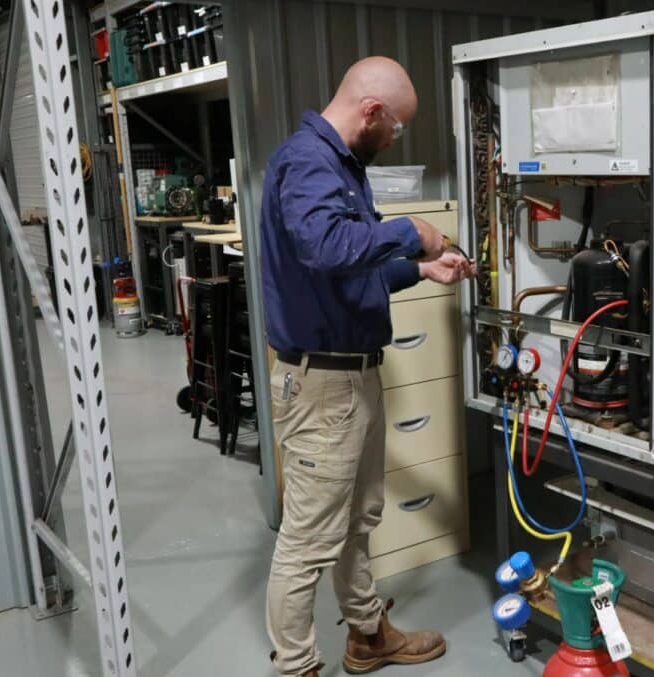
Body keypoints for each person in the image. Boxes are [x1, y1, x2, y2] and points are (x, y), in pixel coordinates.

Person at [259, 56, 475, 677]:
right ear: (372, 112)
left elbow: (350, 271)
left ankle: (368, 635)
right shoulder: (308, 161)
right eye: (397, 127)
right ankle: (297, 666)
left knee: (358, 520)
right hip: (322, 384)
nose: (395, 138)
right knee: (307, 541)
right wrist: (413, 232)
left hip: (353, 375)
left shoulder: (343, 169)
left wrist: (419, 269)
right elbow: (325, 247)